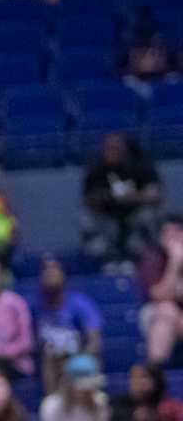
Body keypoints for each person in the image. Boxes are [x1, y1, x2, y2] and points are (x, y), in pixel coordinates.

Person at [81, 134, 163, 266]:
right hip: (108, 216)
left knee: (147, 217)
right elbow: (87, 199)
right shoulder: (97, 168)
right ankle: (106, 261)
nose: (111, 152)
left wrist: (131, 197)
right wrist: (107, 197)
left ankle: (140, 261)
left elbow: (155, 194)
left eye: (115, 148)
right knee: (85, 220)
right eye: (108, 148)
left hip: (135, 213)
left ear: (124, 149)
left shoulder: (139, 165)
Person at [33, 255, 103, 393]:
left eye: (54, 272)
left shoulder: (80, 303)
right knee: (49, 358)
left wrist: (78, 360)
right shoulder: (36, 308)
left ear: (64, 276)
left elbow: (94, 340)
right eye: (46, 273)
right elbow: (33, 343)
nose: (50, 275)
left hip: (77, 357)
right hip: (50, 360)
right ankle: (52, 403)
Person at [138, 213, 183, 367]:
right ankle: (155, 372)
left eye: (176, 231)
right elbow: (159, 295)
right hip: (155, 313)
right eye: (166, 232)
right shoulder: (152, 257)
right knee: (167, 310)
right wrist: (175, 263)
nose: (170, 236)